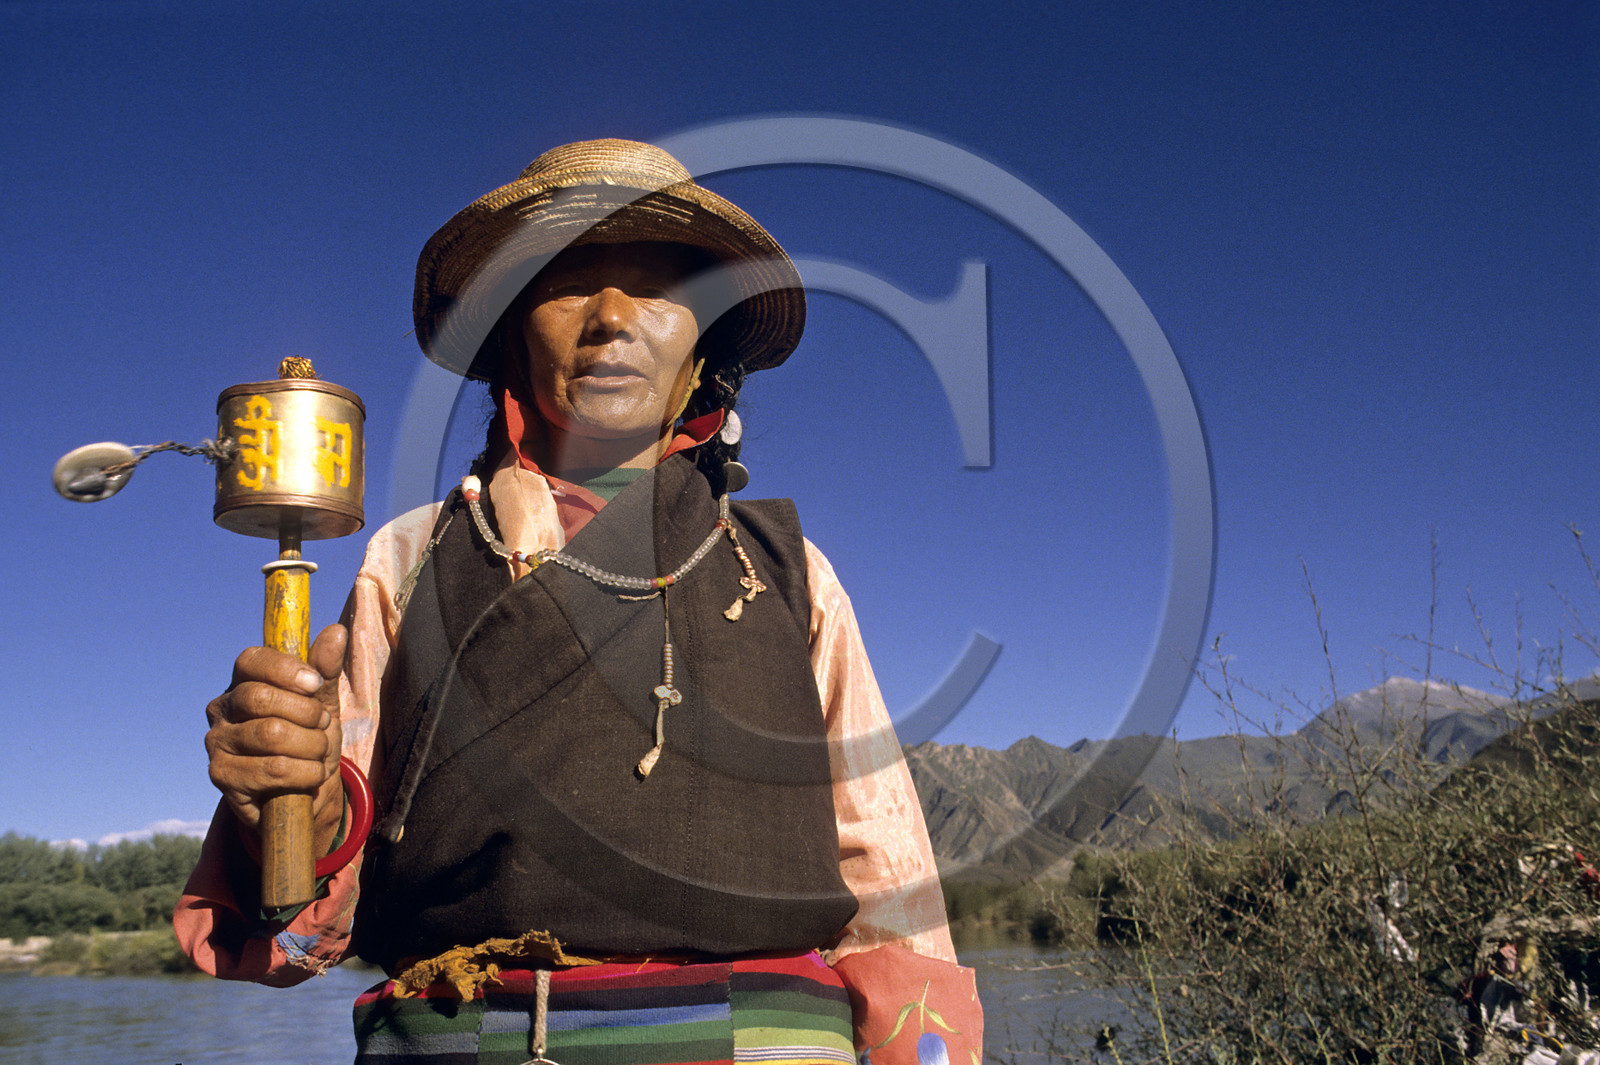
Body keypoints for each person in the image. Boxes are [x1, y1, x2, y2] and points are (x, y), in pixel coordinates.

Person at [177, 138, 981, 1065]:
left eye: (657, 287)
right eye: (568, 283)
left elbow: (893, 895)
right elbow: (302, 918)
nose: (610, 317)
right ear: (512, 328)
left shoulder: (787, 572)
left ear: (703, 354)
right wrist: (295, 801)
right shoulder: (407, 560)